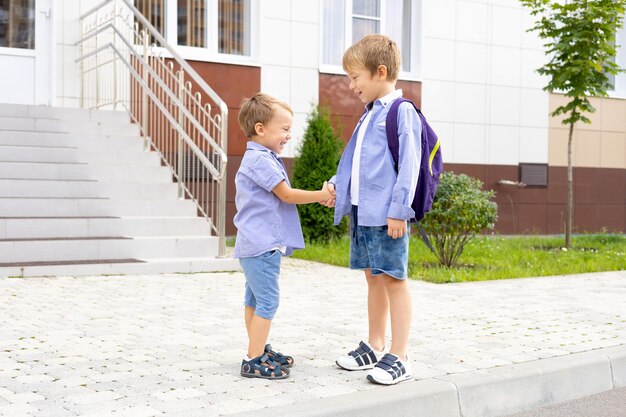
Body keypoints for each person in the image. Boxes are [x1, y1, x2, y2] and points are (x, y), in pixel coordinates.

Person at [322, 34, 421, 385]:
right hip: (363, 213)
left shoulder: (401, 112)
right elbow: (356, 162)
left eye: (355, 78)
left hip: (387, 215)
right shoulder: (368, 115)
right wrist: (337, 184)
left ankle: (401, 354)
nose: (351, 86)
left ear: (380, 72)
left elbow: (410, 165)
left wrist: (399, 209)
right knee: (372, 276)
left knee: (394, 279)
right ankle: (375, 344)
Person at [234, 92, 333, 380]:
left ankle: (258, 348)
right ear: (261, 129)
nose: (289, 135)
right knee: (268, 301)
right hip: (262, 245)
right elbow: (287, 195)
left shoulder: (262, 157)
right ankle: (253, 359)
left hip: (256, 244)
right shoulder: (260, 160)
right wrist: (322, 195)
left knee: (254, 300)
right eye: (285, 129)